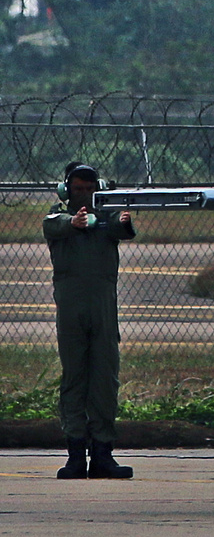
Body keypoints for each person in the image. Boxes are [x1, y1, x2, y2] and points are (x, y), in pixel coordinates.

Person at [44, 161, 135, 479]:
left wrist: (123, 220)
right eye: (77, 189)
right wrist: (75, 222)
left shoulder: (107, 220)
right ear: (66, 190)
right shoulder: (58, 218)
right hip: (71, 313)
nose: (83, 195)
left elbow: (122, 230)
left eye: (89, 189)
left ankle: (102, 454)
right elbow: (54, 225)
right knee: (74, 381)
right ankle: (75, 454)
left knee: (104, 382)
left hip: (103, 313)